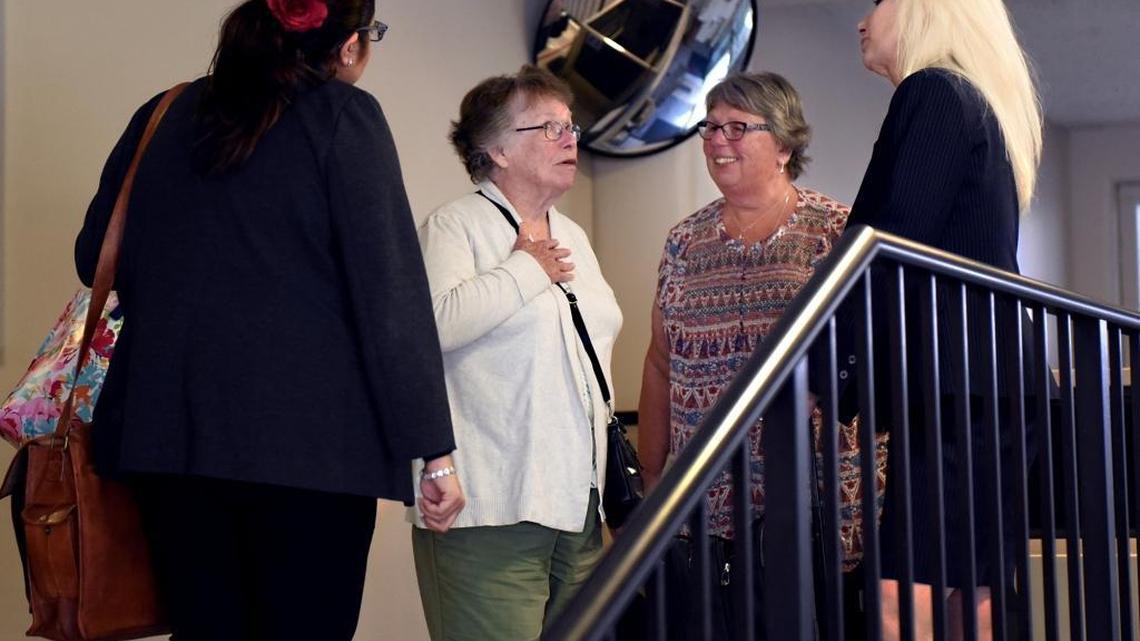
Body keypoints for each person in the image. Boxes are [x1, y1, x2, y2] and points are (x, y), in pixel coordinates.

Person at [73, 2, 465, 639]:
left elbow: (94, 259)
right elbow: (389, 296)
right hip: (311, 454)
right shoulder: (344, 115)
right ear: (349, 46)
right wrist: (434, 451)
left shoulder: (163, 113)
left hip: (168, 441)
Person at [637, 71, 886, 640]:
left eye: (737, 128)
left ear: (783, 146)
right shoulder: (683, 241)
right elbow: (660, 363)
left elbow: (871, 356)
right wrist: (652, 477)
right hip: (707, 493)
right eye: (710, 127)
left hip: (818, 494)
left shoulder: (837, 230)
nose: (717, 141)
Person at [849, 0, 1043, 638]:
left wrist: (831, 369)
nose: (864, 21)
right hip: (986, 382)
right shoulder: (977, 101)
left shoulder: (933, 91)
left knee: (903, 589)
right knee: (969, 584)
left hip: (959, 382)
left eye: (879, 2)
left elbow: (894, 240)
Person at [412, 65, 623, 641]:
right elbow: (431, 327)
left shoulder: (573, 235)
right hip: (490, 504)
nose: (569, 138)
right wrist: (525, 269)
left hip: (579, 506)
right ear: (496, 150)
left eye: (571, 126)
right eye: (550, 127)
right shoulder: (454, 226)